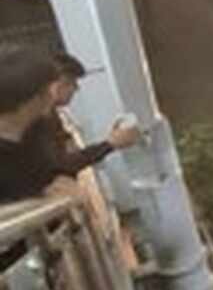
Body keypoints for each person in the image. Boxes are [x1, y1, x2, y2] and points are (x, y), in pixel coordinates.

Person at [23, 53, 140, 181]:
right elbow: (61, 165)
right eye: (70, 82)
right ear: (54, 85)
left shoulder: (52, 115)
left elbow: (67, 156)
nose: (76, 88)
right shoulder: (33, 119)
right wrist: (110, 144)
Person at [0, 46, 64, 203]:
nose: (53, 97)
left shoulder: (37, 129)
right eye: (48, 91)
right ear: (31, 100)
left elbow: (52, 173)